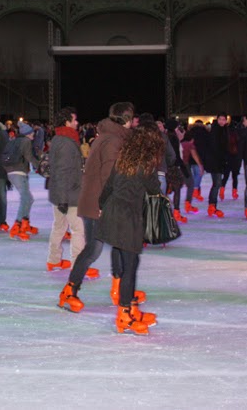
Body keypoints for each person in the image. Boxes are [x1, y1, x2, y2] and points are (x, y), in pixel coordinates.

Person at [59, 102, 135, 313]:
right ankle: (70, 290)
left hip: (99, 200)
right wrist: (107, 202)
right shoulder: (112, 140)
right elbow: (108, 175)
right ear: (128, 120)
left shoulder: (110, 137)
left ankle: (120, 291)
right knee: (94, 248)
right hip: (99, 202)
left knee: (115, 245)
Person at [95, 124, 164, 334]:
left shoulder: (123, 161)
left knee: (125, 261)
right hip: (128, 218)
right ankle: (124, 315)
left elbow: (108, 187)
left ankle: (129, 306)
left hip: (112, 212)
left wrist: (100, 206)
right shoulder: (147, 166)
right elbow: (155, 190)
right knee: (130, 267)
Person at [47, 107, 85, 271]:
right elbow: (63, 171)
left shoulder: (59, 138)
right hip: (68, 193)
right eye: (74, 120)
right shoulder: (66, 142)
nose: (77, 123)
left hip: (60, 192)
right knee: (78, 229)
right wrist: (63, 199)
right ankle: (77, 265)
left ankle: (53, 259)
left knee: (59, 227)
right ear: (67, 122)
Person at [4, 122, 41, 240]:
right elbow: (29, 156)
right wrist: (39, 166)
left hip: (12, 172)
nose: (33, 135)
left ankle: (25, 223)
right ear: (27, 134)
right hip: (18, 172)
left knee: (29, 198)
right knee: (26, 198)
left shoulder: (15, 140)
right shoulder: (26, 141)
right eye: (32, 133)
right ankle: (18, 225)